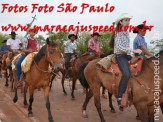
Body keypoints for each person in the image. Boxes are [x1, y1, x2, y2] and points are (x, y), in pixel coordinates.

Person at [109, 13, 142, 106]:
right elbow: (119, 47)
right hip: (120, 56)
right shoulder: (118, 33)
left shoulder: (127, 33)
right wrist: (133, 50)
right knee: (126, 73)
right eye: (126, 20)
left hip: (127, 55)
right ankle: (119, 95)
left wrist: (134, 53)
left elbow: (127, 47)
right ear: (121, 22)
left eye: (129, 20)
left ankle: (134, 90)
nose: (128, 22)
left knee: (141, 63)